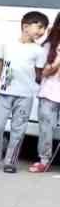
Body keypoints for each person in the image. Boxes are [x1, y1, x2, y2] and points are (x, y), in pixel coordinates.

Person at [0, 10, 49, 173]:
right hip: (5, 93)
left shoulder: (38, 51)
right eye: (38, 27)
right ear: (25, 26)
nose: (41, 31)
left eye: (44, 29)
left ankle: (10, 161)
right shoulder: (8, 44)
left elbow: (39, 72)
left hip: (25, 95)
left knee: (18, 129)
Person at [33, 21, 60, 173]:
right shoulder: (49, 45)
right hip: (49, 93)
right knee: (46, 129)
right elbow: (43, 73)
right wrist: (57, 63)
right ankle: (44, 160)